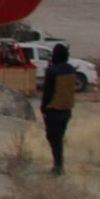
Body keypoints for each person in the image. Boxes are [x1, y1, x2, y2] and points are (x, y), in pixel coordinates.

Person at [39, 43, 80, 175]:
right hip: (66, 109)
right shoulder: (72, 70)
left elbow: (47, 93)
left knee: (53, 138)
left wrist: (43, 107)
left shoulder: (52, 71)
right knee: (59, 138)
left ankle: (58, 166)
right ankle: (58, 165)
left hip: (53, 109)